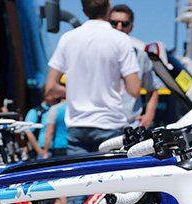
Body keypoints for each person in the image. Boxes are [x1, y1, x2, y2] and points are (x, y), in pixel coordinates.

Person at [45, 0, 140, 154]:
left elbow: (50, 87)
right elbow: (135, 89)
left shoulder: (67, 38)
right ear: (108, 6)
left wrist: (77, 92)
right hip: (109, 125)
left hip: (77, 126)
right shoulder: (120, 39)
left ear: (84, 10)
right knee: (110, 177)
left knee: (80, 177)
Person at [109, 4, 159, 128]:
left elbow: (152, 89)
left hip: (130, 127)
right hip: (102, 126)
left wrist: (148, 116)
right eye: (114, 23)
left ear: (131, 27)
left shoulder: (141, 56)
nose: (119, 27)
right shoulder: (96, 52)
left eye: (124, 24)